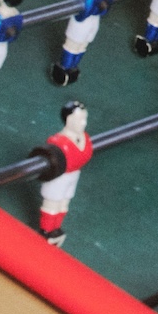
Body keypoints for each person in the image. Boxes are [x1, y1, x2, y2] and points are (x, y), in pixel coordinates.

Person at [39, 101, 93, 246]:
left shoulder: (84, 137)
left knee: (64, 203)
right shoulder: (58, 141)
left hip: (73, 175)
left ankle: (56, 228)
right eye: (79, 119)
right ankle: (46, 230)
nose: (83, 123)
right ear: (69, 120)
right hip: (59, 177)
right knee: (52, 203)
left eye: (84, 118)